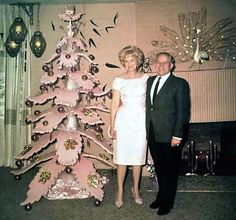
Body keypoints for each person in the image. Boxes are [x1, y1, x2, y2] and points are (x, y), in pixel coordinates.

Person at [146, 52, 191, 215]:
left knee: (170, 170)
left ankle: (167, 202)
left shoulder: (179, 84)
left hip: (171, 135)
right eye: (158, 62)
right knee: (159, 168)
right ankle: (161, 196)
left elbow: (183, 111)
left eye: (165, 63)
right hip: (153, 132)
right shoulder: (150, 81)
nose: (161, 65)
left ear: (171, 65)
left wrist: (177, 135)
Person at [110, 45, 149, 208]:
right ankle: (119, 191)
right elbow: (114, 105)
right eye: (126, 61)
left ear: (138, 61)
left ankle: (136, 189)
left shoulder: (146, 78)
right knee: (122, 158)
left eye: (132, 60)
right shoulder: (118, 80)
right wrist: (112, 126)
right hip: (123, 120)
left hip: (140, 121)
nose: (129, 64)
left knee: (137, 159)